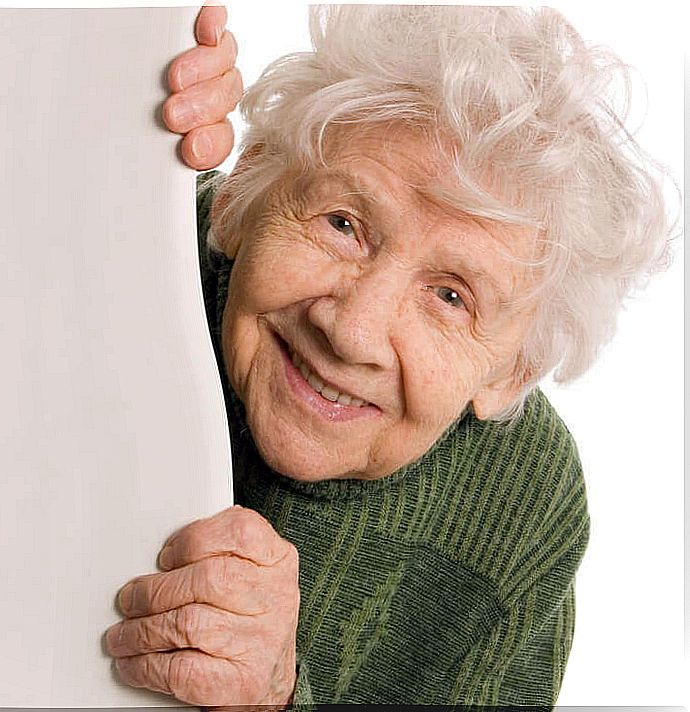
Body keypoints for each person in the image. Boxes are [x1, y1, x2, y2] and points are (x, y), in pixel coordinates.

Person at [104, 5, 674, 707]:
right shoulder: (118, 246)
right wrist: (95, 122)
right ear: (244, 193)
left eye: (451, 297)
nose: (354, 331)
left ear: (511, 373)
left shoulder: (518, 507)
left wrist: (277, 698)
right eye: (344, 224)